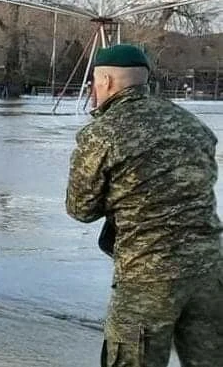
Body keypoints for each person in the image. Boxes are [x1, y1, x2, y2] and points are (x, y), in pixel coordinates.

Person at [65, 44, 223, 367]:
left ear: (106, 82)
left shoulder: (101, 134)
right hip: (210, 272)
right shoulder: (194, 126)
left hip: (146, 277)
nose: (93, 91)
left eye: (94, 83)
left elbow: (80, 208)